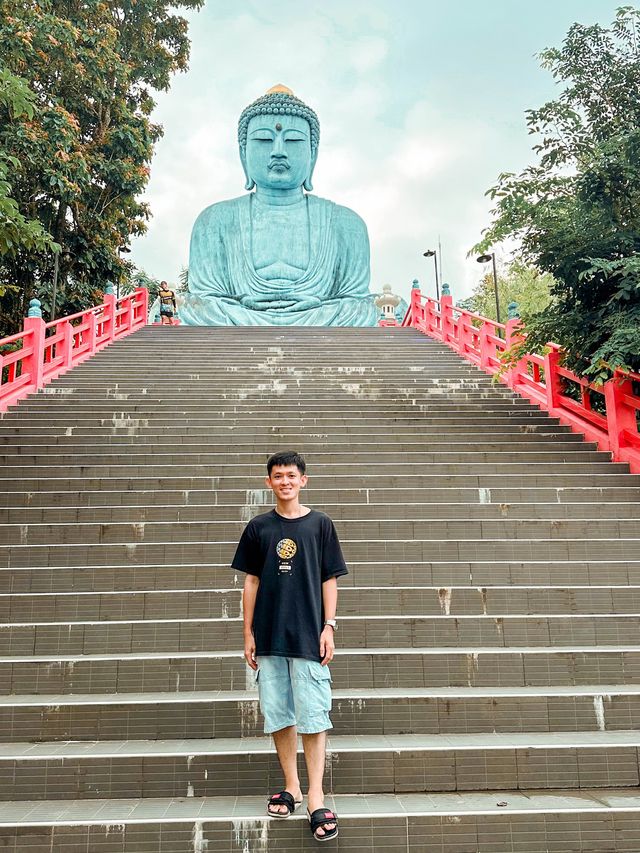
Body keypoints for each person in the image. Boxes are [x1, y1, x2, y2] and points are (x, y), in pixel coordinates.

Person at [180, 85, 378, 326]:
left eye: (293, 140)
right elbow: (206, 300)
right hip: (238, 318)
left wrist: (318, 306)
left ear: (313, 154)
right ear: (243, 154)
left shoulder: (346, 223)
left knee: (363, 310)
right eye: (264, 139)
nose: (278, 151)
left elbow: (354, 301)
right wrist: (243, 305)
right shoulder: (214, 220)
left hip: (320, 316)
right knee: (196, 309)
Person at [231, 450, 347, 841]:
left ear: (303, 480)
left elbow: (330, 578)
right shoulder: (258, 528)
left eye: (292, 475)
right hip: (269, 636)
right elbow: (251, 583)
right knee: (279, 714)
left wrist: (328, 626)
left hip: (308, 635)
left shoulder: (320, 525)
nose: (285, 481)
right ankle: (292, 786)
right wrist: (247, 633)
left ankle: (316, 796)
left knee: (314, 715)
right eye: (278, 476)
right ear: (269, 482)